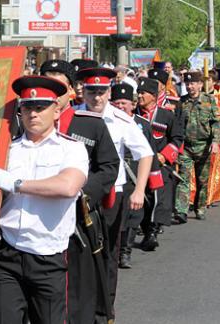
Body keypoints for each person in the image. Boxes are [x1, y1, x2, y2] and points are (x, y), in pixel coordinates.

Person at [0, 75, 89, 324]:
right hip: (7, 253)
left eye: (40, 107)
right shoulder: (5, 150)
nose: (33, 114)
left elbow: (68, 186)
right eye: (27, 107)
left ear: (56, 111)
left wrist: (18, 184)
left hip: (48, 256)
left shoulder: (71, 148)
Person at [39, 59, 120, 323]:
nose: (53, 93)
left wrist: (83, 193)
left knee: (79, 284)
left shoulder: (91, 124)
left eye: (59, 87)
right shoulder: (24, 123)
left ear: (72, 90)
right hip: (37, 215)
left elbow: (109, 166)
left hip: (79, 216)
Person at [76, 67, 154, 314]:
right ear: (83, 92)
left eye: (101, 91)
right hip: (76, 193)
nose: (96, 97)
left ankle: (104, 309)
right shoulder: (72, 117)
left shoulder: (121, 119)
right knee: (79, 252)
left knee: (108, 251)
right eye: (91, 92)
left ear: (109, 92)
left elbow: (145, 153)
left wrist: (139, 190)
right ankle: (80, 307)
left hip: (112, 195)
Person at [110, 83, 163, 269]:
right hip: (114, 175)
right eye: (116, 103)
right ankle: (114, 250)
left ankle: (125, 251)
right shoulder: (105, 121)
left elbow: (150, 153)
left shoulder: (142, 124)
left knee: (134, 214)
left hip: (134, 174)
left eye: (124, 103)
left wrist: (153, 179)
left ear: (132, 104)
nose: (120, 107)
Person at [135, 77, 183, 244]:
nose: (139, 96)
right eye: (138, 93)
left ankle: (153, 231)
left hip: (159, 164)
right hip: (137, 166)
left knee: (159, 198)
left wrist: (165, 155)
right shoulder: (133, 116)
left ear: (154, 96)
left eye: (143, 93)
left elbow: (177, 138)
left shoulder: (166, 116)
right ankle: (144, 228)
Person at [175, 72, 220, 221]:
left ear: (200, 85)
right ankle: (181, 210)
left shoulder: (209, 101)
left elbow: (216, 122)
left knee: (202, 180)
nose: (190, 86)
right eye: (187, 84)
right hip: (186, 147)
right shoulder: (181, 102)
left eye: (193, 83)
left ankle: (200, 207)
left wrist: (215, 141)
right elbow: (176, 124)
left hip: (204, 147)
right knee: (183, 179)